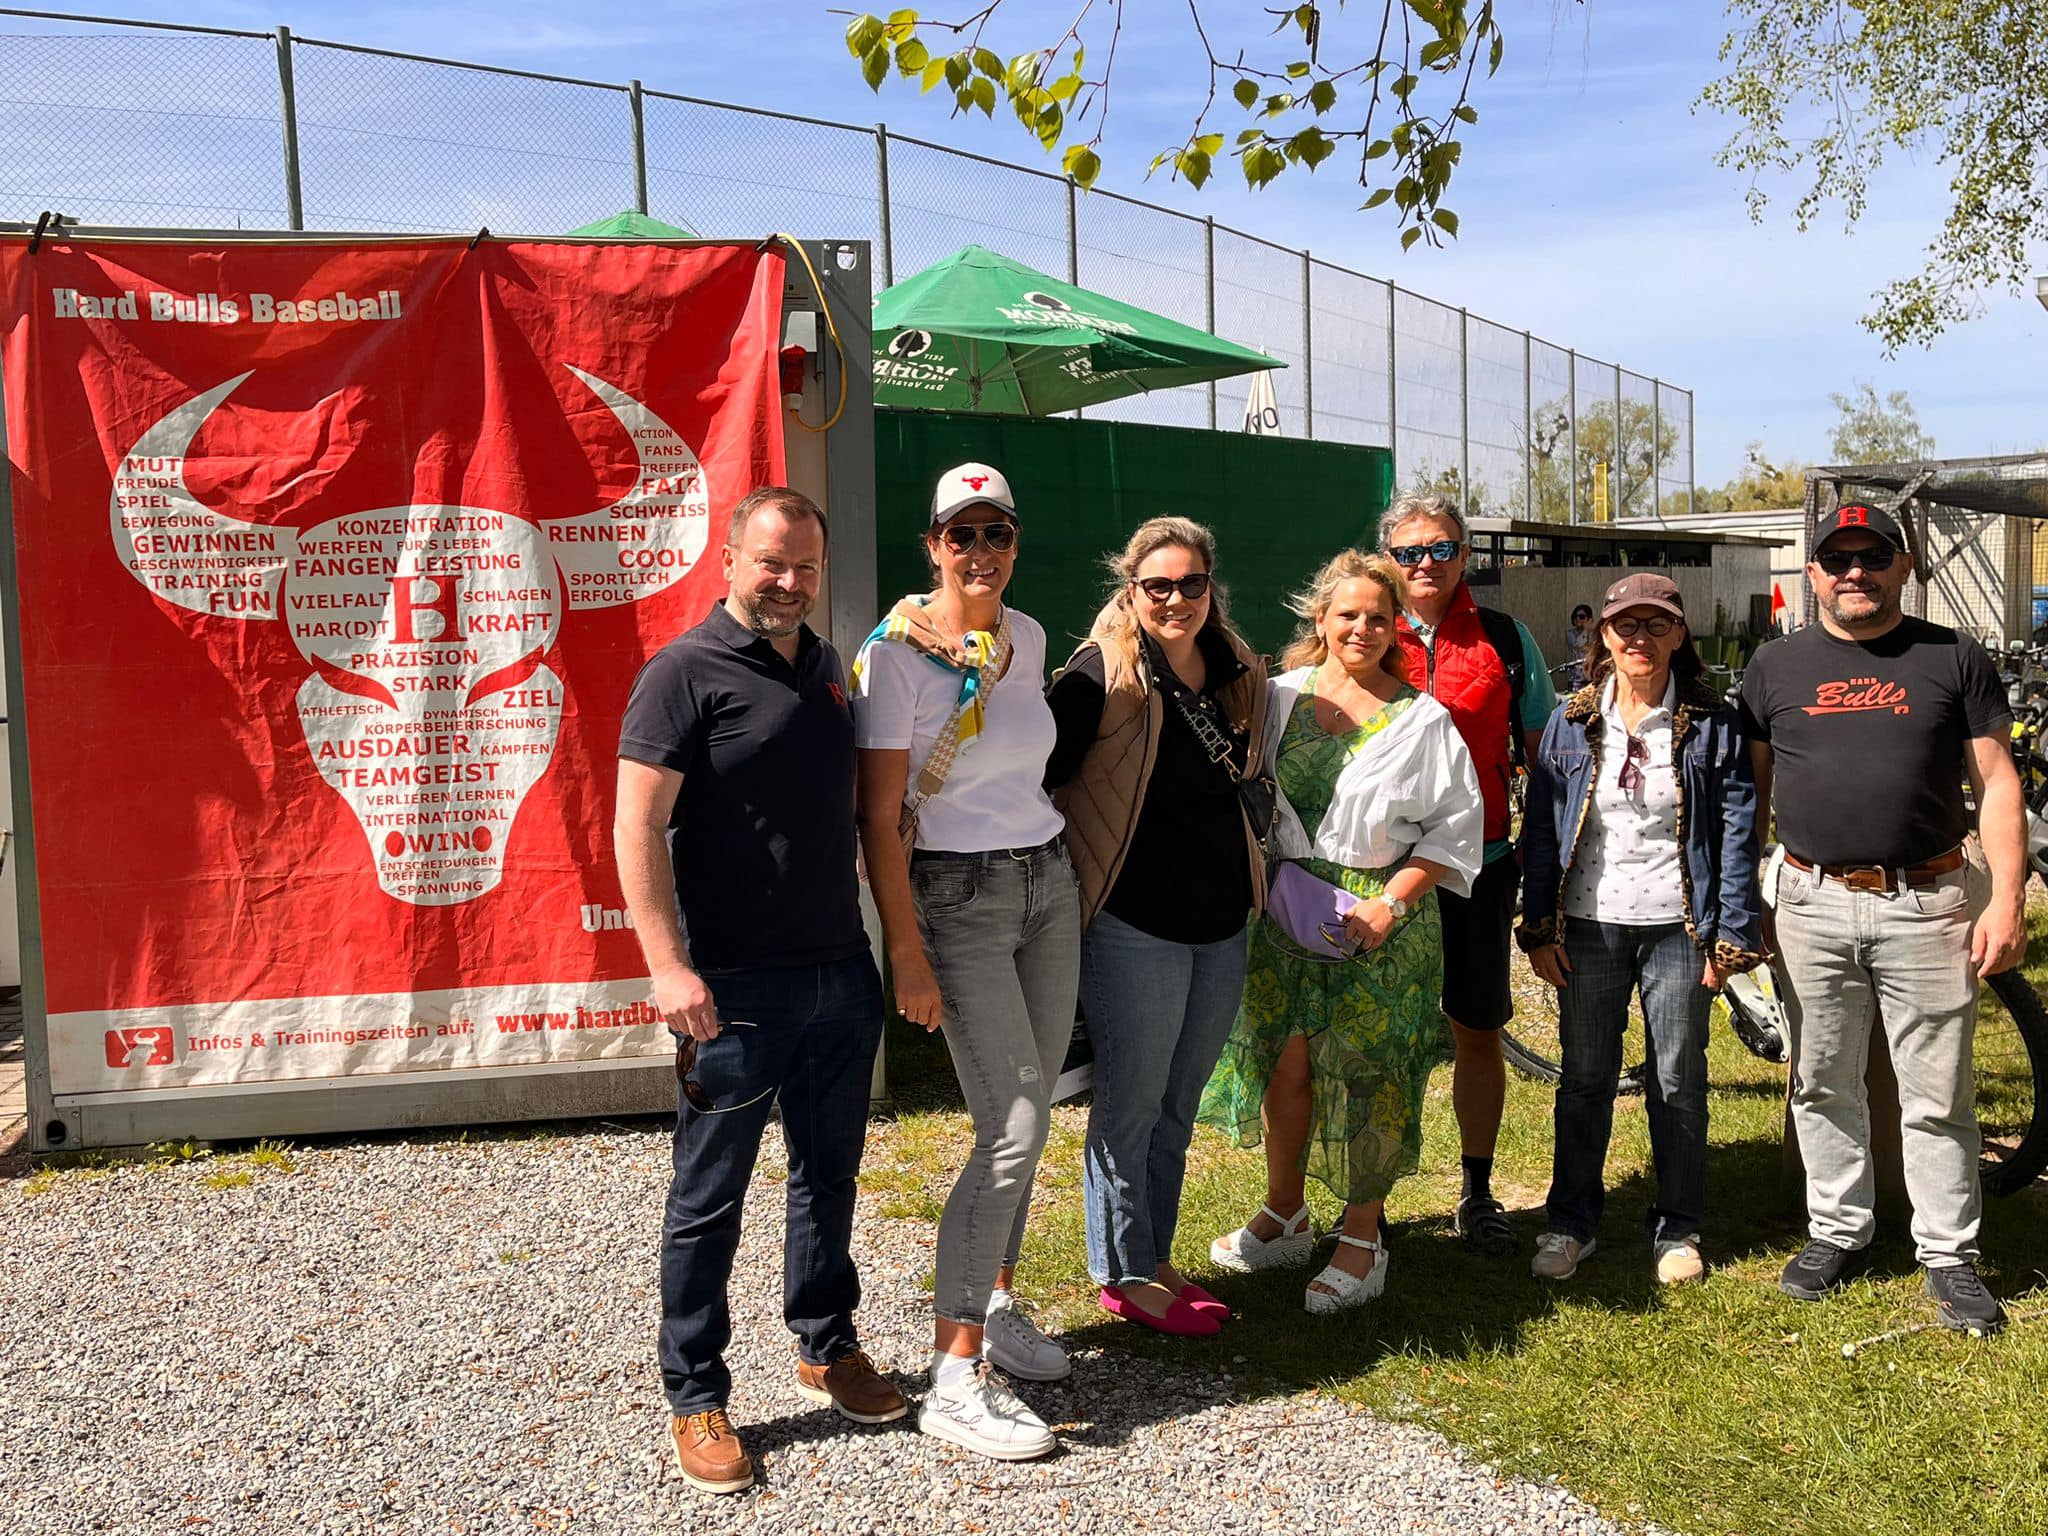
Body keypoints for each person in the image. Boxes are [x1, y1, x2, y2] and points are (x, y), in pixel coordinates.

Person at [615, 487, 903, 1499]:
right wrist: (667, 964)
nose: (788, 582)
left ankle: (826, 1344)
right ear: (730, 559)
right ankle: (695, 1393)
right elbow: (636, 826)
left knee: (829, 1178)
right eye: (771, 562)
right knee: (709, 1200)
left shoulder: (825, 667)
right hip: (733, 989)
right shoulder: (682, 673)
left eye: (805, 567)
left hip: (838, 974)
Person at [1739, 503, 2026, 1335]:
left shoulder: (1952, 656)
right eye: (1838, 558)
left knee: (1937, 1091)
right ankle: (1838, 1229)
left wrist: (2007, 898)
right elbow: (1748, 795)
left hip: (1929, 902)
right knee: (1821, 1078)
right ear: (1814, 573)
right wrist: (1742, 902)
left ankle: (1949, 1253)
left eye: (1872, 556)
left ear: (1903, 566)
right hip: (1810, 902)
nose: (1855, 571)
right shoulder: (1775, 666)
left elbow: (1997, 784)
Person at [852, 463, 1081, 1460]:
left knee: (1032, 1119)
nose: (980, 553)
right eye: (962, 535)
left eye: (998, 534)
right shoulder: (892, 655)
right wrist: (904, 950)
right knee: (1012, 1126)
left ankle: (993, 1301)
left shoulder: (1026, 636)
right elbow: (878, 817)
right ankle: (953, 1375)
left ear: (1015, 544)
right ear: (932, 546)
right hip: (957, 898)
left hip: (1047, 883)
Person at [1201, 551, 1483, 1312]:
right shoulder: (1275, 699)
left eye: (1378, 617)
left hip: (1378, 924)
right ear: (1320, 619)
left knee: (1370, 1075)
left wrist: (1392, 903)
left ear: (1397, 628)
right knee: (1285, 1067)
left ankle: (1362, 1238)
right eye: (1348, 614)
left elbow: (1455, 828)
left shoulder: (1422, 720)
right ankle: (1285, 1213)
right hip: (1283, 911)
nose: (1362, 628)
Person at [1043, 517, 1273, 1338]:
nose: (1177, 600)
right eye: (1159, 586)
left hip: (1220, 921)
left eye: (1192, 584)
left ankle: (1155, 1254)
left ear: (1212, 586)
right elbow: (1039, 777)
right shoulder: (1098, 673)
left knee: (1178, 1104)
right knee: (1131, 1106)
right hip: (1133, 924)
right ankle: (1122, 1272)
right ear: (1131, 588)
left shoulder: (1237, 667)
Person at [1518, 573, 1765, 1284]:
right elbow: (1543, 828)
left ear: (1679, 635)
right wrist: (1540, 926)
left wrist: (1730, 934)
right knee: (1585, 1078)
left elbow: (1738, 832)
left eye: (1658, 625)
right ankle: (1571, 1224)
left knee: (1678, 1078)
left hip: (1678, 927)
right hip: (1589, 925)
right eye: (1626, 625)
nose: (1641, 639)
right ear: (1603, 634)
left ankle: (1678, 1227)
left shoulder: (1713, 722)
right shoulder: (1571, 721)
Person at [1380, 493, 1558, 1257]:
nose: (1426, 563)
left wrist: (1548, 876)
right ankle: (1368, 1200)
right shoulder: (1362, 631)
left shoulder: (1506, 639)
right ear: (1388, 559)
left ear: (1465, 555)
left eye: (1442, 548)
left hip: (1478, 869)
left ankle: (1477, 1191)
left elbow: (1549, 758)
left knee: (1477, 1031)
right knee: (1379, 1040)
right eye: (1409, 551)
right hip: (1380, 877)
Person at [1565, 603, 1595, 689]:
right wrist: (1586, 630)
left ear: (1589, 619)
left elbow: (1596, 650)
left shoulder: (1594, 634)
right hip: (1576, 678)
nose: (1578, 619)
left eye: (1581, 616)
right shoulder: (1570, 634)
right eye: (1576, 616)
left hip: (1590, 676)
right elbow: (1579, 645)